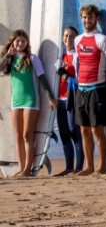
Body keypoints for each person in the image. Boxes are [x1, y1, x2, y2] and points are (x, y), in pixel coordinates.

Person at [73, 4, 106, 176]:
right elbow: (78, 64)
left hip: (97, 89)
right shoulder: (78, 40)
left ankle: (102, 166)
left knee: (97, 130)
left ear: (96, 19)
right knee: (84, 130)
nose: (87, 20)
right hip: (81, 90)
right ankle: (89, 167)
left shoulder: (103, 40)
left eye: (91, 17)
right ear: (82, 19)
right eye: (85, 18)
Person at [0, 30, 58, 177]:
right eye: (18, 41)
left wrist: (50, 97)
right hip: (16, 101)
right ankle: (21, 168)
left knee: (27, 135)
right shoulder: (10, 59)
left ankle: (27, 169)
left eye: (23, 41)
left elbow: (43, 79)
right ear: (13, 42)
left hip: (31, 100)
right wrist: (8, 55)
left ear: (27, 43)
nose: (20, 43)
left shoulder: (33, 58)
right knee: (18, 135)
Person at [54, 26, 83, 176]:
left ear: (76, 38)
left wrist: (64, 75)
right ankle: (68, 167)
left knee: (74, 132)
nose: (68, 39)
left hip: (73, 99)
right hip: (60, 100)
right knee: (64, 133)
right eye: (66, 36)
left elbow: (80, 80)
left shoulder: (78, 56)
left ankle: (79, 167)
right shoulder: (61, 56)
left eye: (71, 36)